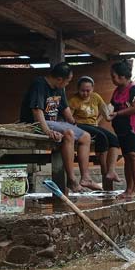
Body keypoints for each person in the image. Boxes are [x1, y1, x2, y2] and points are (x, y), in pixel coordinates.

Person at [20, 63, 101, 192]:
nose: (68, 84)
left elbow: (65, 109)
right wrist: (47, 131)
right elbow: (37, 110)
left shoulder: (59, 88)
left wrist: (74, 123)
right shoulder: (39, 84)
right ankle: (71, 179)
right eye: (67, 81)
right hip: (37, 122)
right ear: (59, 79)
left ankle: (86, 178)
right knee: (68, 134)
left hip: (55, 122)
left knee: (85, 136)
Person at [68, 76, 121, 185]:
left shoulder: (96, 97)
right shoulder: (73, 100)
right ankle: (104, 170)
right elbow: (69, 118)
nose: (85, 93)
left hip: (93, 125)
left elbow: (105, 112)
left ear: (92, 89)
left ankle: (111, 170)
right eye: (83, 90)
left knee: (114, 139)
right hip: (79, 125)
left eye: (88, 90)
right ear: (78, 89)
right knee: (101, 136)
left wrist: (107, 115)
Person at [107, 60, 135, 199]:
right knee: (126, 157)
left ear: (122, 76)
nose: (112, 79)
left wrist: (118, 114)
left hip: (134, 126)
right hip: (121, 128)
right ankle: (128, 189)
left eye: (114, 76)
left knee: (134, 155)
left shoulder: (134, 88)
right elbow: (111, 106)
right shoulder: (117, 91)